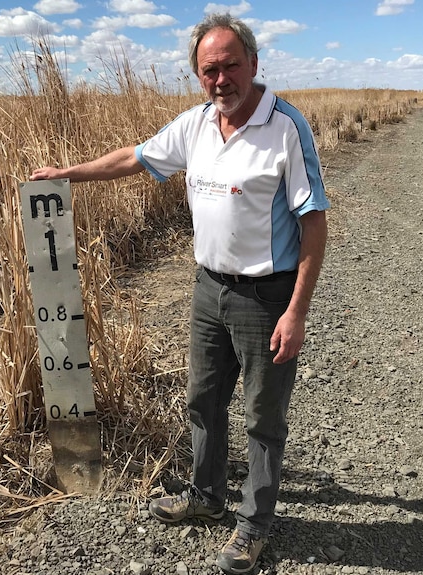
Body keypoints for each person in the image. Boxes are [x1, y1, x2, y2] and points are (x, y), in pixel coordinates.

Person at [31, 12, 329, 575]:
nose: (222, 80)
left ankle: (254, 524)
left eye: (231, 66)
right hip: (208, 289)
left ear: (255, 63)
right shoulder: (194, 124)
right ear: (198, 75)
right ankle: (207, 496)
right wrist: (68, 174)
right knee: (203, 400)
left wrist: (296, 311)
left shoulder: (285, 127)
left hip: (267, 297)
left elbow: (314, 222)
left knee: (263, 417)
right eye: (209, 70)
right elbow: (134, 158)